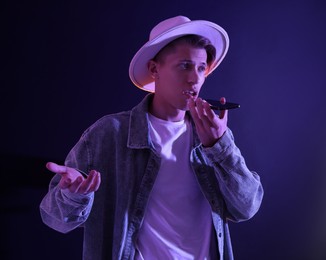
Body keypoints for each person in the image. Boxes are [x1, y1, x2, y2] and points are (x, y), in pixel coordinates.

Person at [40, 15, 263, 260]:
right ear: (154, 69)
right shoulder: (109, 134)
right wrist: (74, 195)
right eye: (185, 65)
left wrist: (219, 146)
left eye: (201, 68)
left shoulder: (213, 136)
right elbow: (54, 219)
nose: (196, 78)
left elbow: (246, 208)